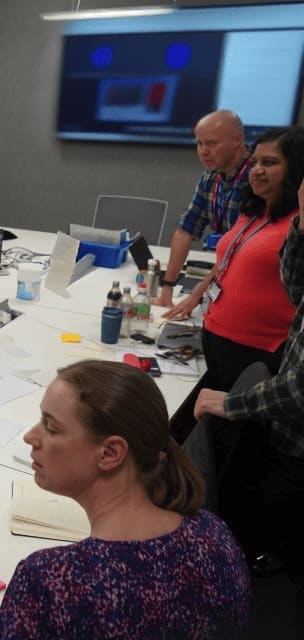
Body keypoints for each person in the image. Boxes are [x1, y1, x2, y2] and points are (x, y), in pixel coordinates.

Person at [0, 360, 250, 640]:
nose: (30, 436)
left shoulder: (53, 580)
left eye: (51, 427)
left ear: (110, 453)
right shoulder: (213, 532)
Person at [192, 180, 304, 576]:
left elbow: (300, 390)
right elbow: (295, 287)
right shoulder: (267, 216)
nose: (258, 171)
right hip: (282, 418)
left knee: (278, 516)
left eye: (270, 163)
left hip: (295, 432)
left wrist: (232, 403)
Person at [178, 127, 304, 395]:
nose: (257, 170)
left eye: (269, 163)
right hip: (216, 337)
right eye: (255, 162)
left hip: (258, 352)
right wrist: (195, 297)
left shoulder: (298, 226)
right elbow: (226, 264)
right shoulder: (253, 211)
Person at [157, 110, 250, 313]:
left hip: (249, 282)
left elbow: (236, 251)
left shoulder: (256, 180)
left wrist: (196, 295)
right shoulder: (211, 178)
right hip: (223, 273)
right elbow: (185, 231)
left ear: (237, 140)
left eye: (212, 143)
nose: (203, 151)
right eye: (199, 143)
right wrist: (167, 287)